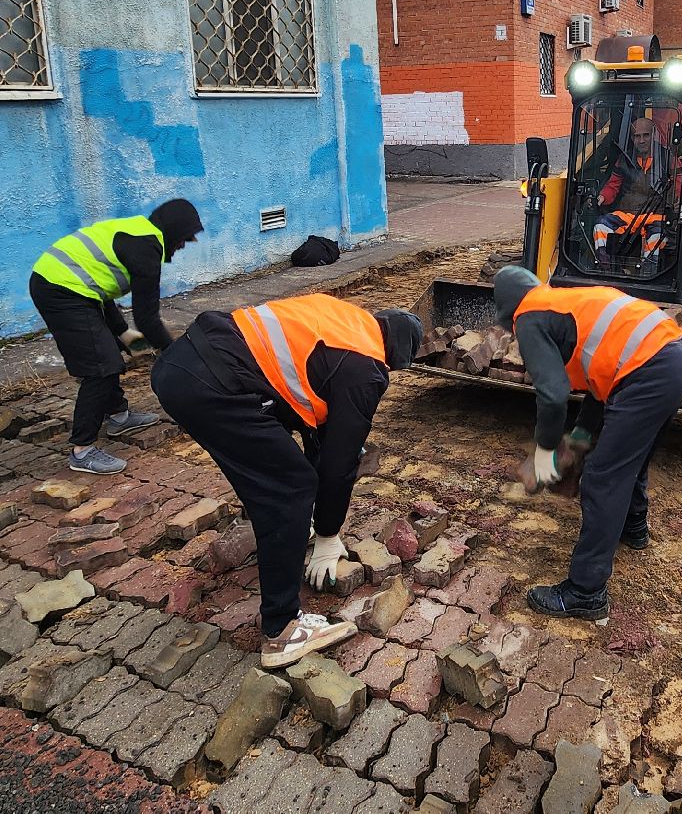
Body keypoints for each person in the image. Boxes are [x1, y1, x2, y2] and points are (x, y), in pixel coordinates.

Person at [153, 293, 423, 668]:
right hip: (215, 382)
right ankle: (282, 629)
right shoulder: (367, 368)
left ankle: (279, 531)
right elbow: (339, 463)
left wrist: (314, 518)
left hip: (182, 364)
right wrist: (328, 535)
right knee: (291, 487)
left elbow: (313, 425)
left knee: (274, 468)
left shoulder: (345, 322)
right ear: (396, 356)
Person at [490, 266, 682, 622]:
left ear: (508, 313)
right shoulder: (565, 303)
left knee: (603, 478)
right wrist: (581, 436)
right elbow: (602, 376)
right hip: (678, 358)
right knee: (629, 458)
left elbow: (553, 396)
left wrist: (545, 453)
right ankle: (633, 527)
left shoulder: (528, 317)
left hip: (650, 370)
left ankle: (585, 592)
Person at [30, 200, 202, 476]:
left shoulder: (139, 231)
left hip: (71, 287)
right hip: (59, 290)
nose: (182, 246)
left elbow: (99, 284)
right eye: (184, 238)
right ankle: (82, 451)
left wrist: (122, 331)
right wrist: (176, 356)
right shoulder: (146, 249)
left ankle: (119, 417)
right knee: (101, 366)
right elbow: (147, 319)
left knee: (110, 350)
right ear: (174, 229)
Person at [591, 115, 678, 273]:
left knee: (657, 237)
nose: (641, 140)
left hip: (656, 216)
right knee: (601, 225)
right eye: (637, 136)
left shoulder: (668, 158)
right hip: (627, 215)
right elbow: (612, 185)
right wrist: (602, 197)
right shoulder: (624, 159)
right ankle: (608, 270)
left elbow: (679, 186)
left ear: (654, 135)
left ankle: (647, 275)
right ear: (632, 138)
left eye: (646, 135)